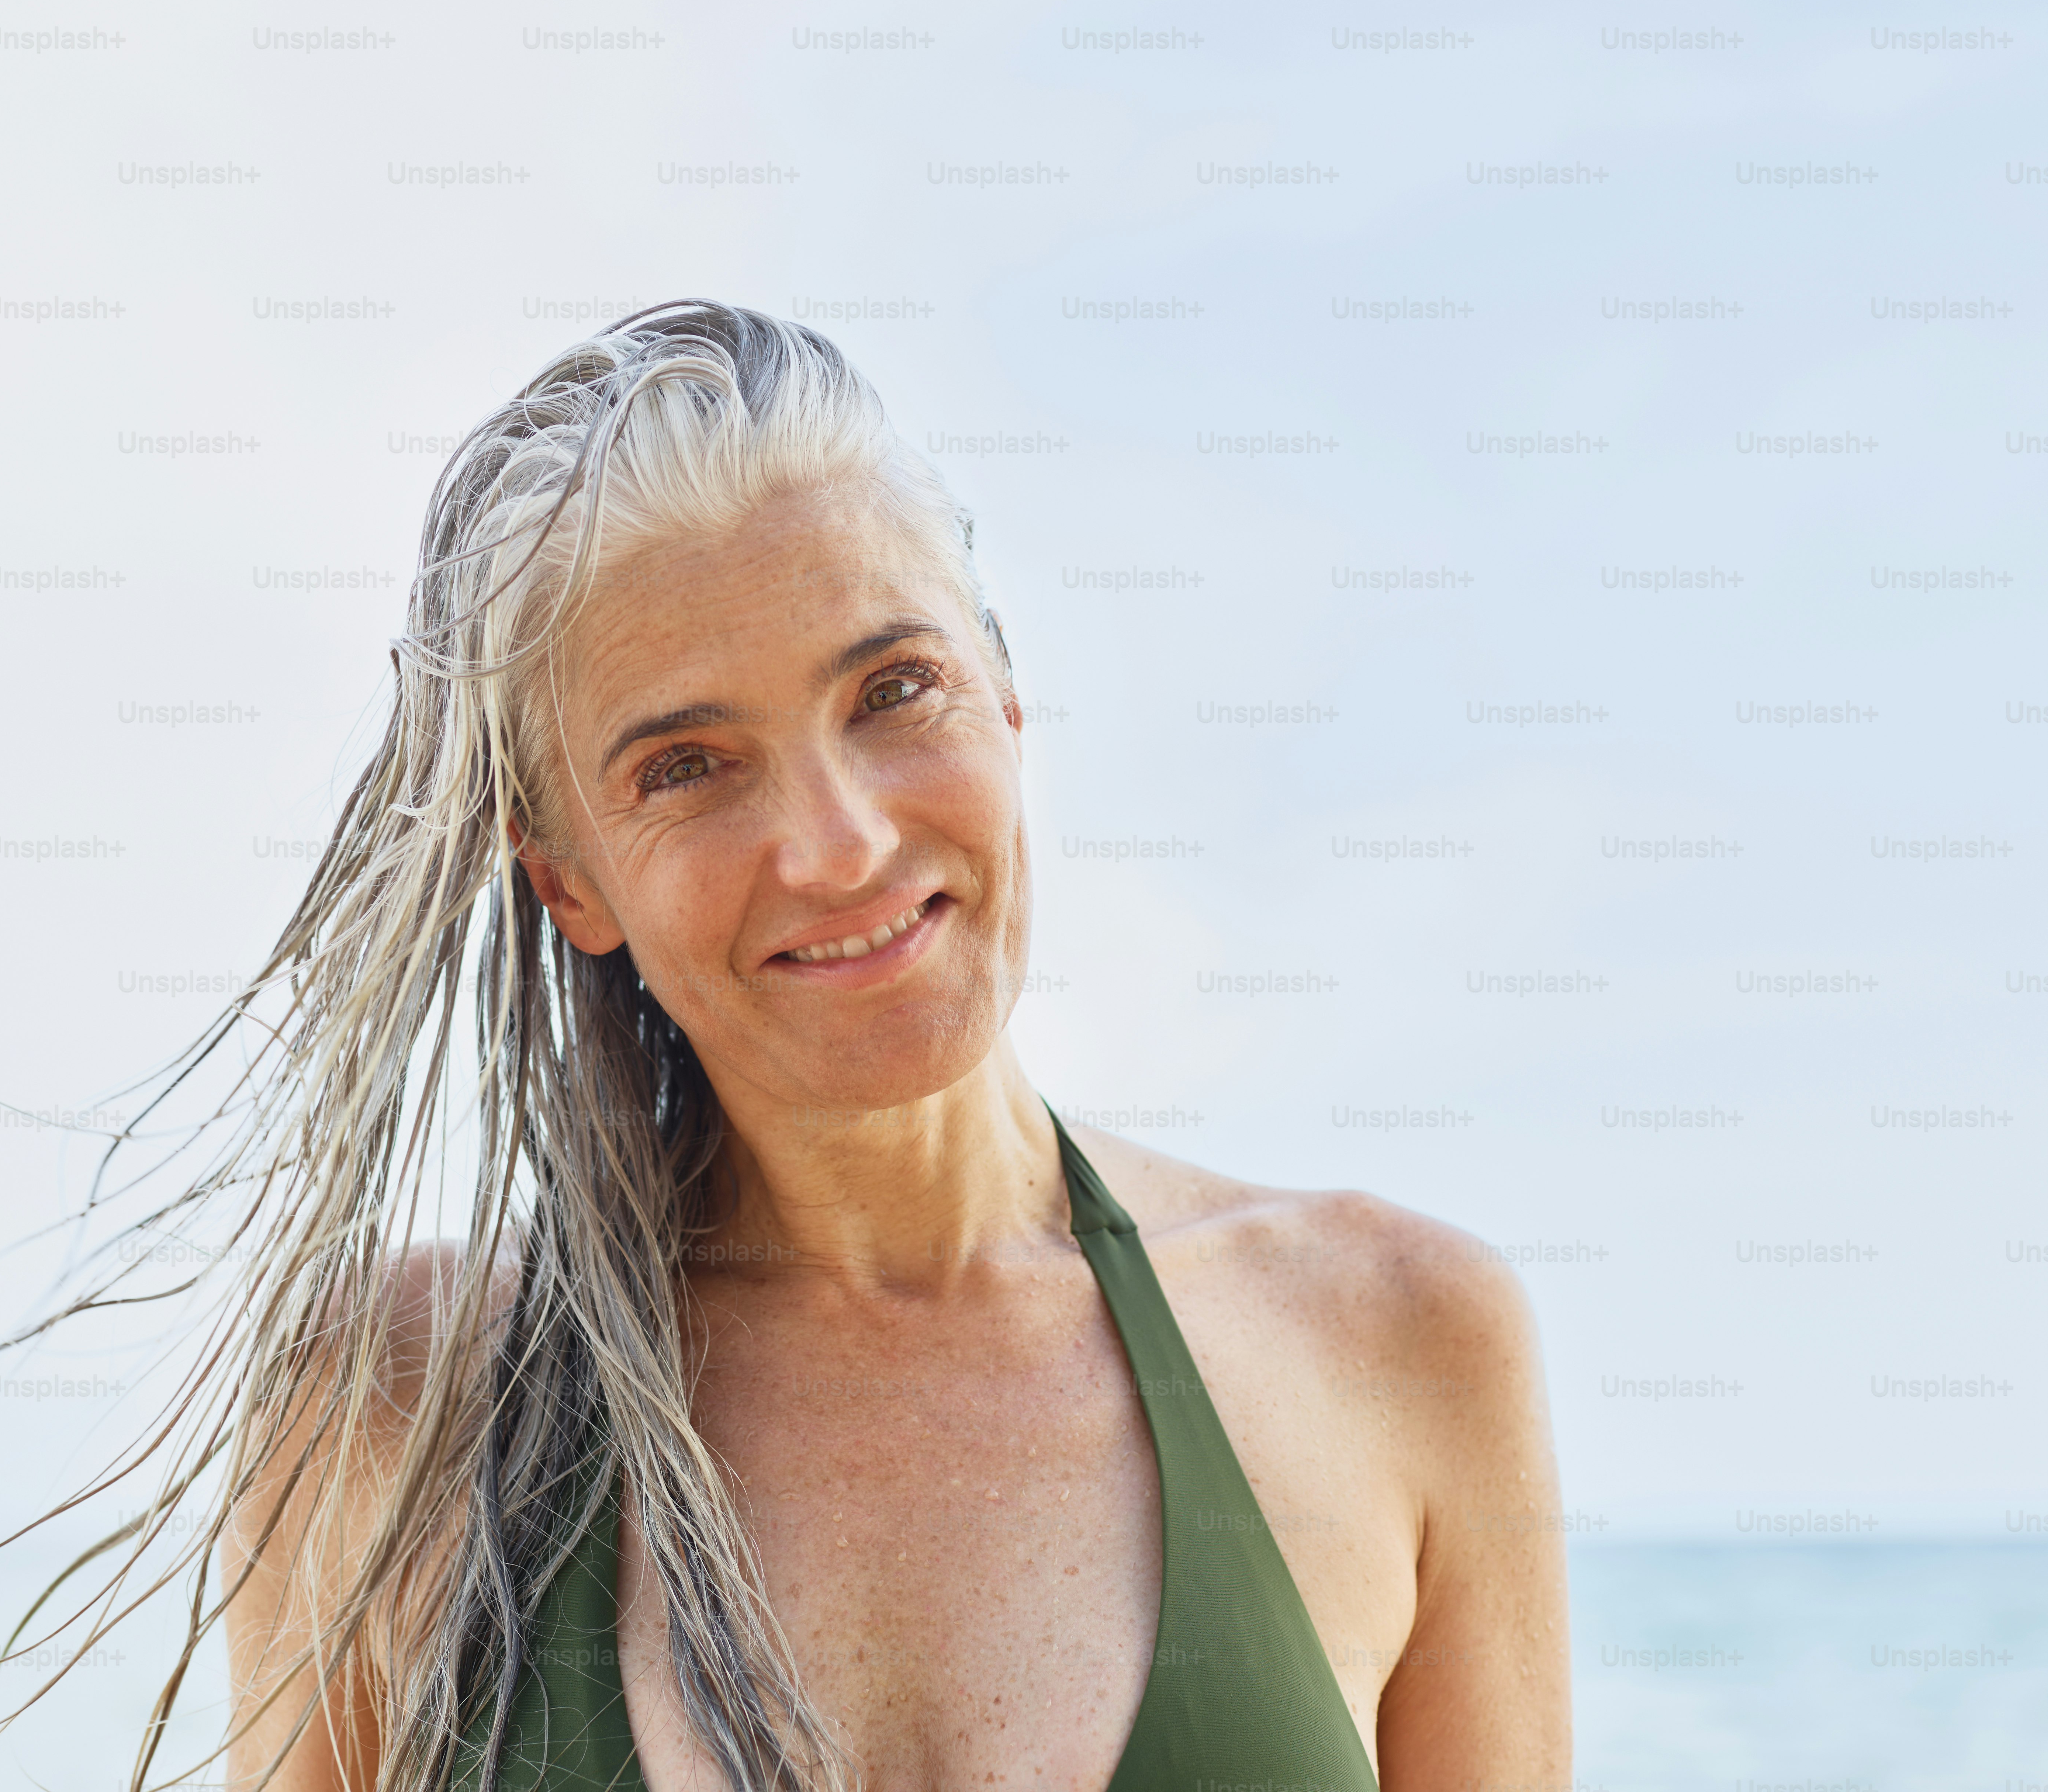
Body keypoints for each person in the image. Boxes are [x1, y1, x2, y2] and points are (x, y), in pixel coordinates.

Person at [160, 302, 1568, 1792]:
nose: (837, 845)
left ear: (1006, 693)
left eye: (893, 688)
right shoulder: (396, 1405)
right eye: (684, 766)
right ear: (565, 875)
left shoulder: (1396, 1345)